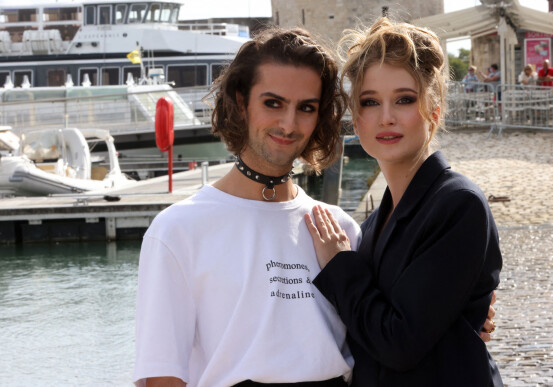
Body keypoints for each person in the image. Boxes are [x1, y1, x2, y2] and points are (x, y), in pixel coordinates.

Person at [133, 27, 362, 386]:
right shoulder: (178, 230)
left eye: (306, 108)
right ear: (241, 102)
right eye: (273, 103)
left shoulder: (341, 229)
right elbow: (161, 374)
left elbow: (393, 335)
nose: (288, 124)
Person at [304, 17, 503, 386]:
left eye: (404, 99)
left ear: (434, 110)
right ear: (357, 120)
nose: (387, 117)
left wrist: (340, 265)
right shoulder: (371, 225)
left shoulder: (458, 204)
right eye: (370, 102)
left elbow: (399, 343)